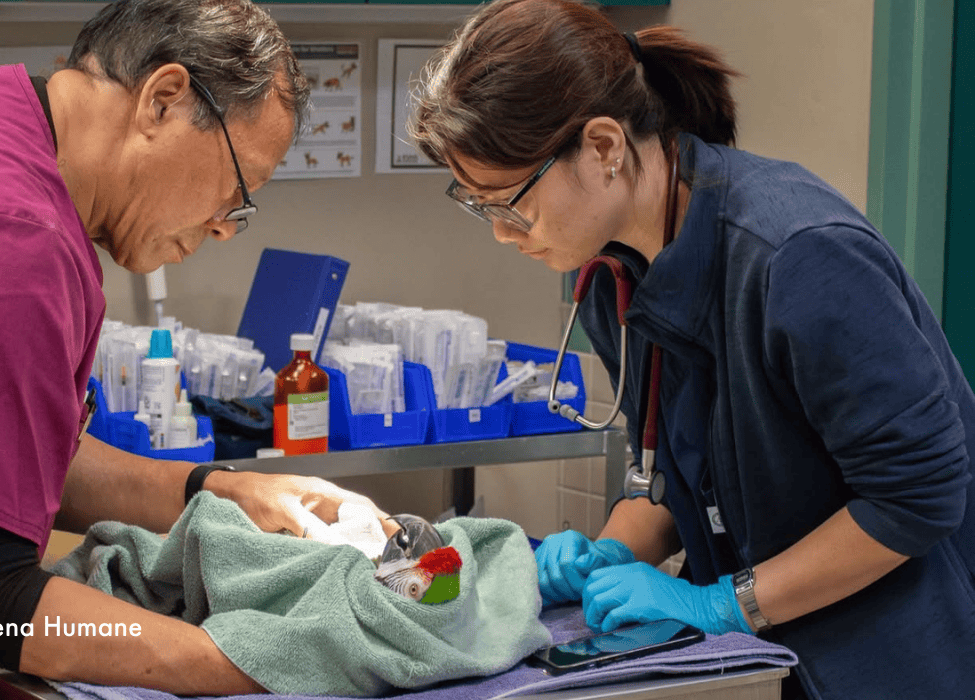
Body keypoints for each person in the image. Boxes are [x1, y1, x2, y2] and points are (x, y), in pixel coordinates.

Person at [0, 0, 395, 697]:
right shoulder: (3, 238)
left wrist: (218, 491)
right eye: (238, 190)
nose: (225, 227)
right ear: (163, 100)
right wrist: (260, 662)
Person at [410, 1, 975, 698]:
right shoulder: (613, 279)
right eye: (478, 206)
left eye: (509, 201)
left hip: (898, 659)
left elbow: (918, 499)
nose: (502, 232)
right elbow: (681, 475)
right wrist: (616, 546)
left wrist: (720, 604)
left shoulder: (798, 256)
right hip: (761, 662)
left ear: (606, 147)